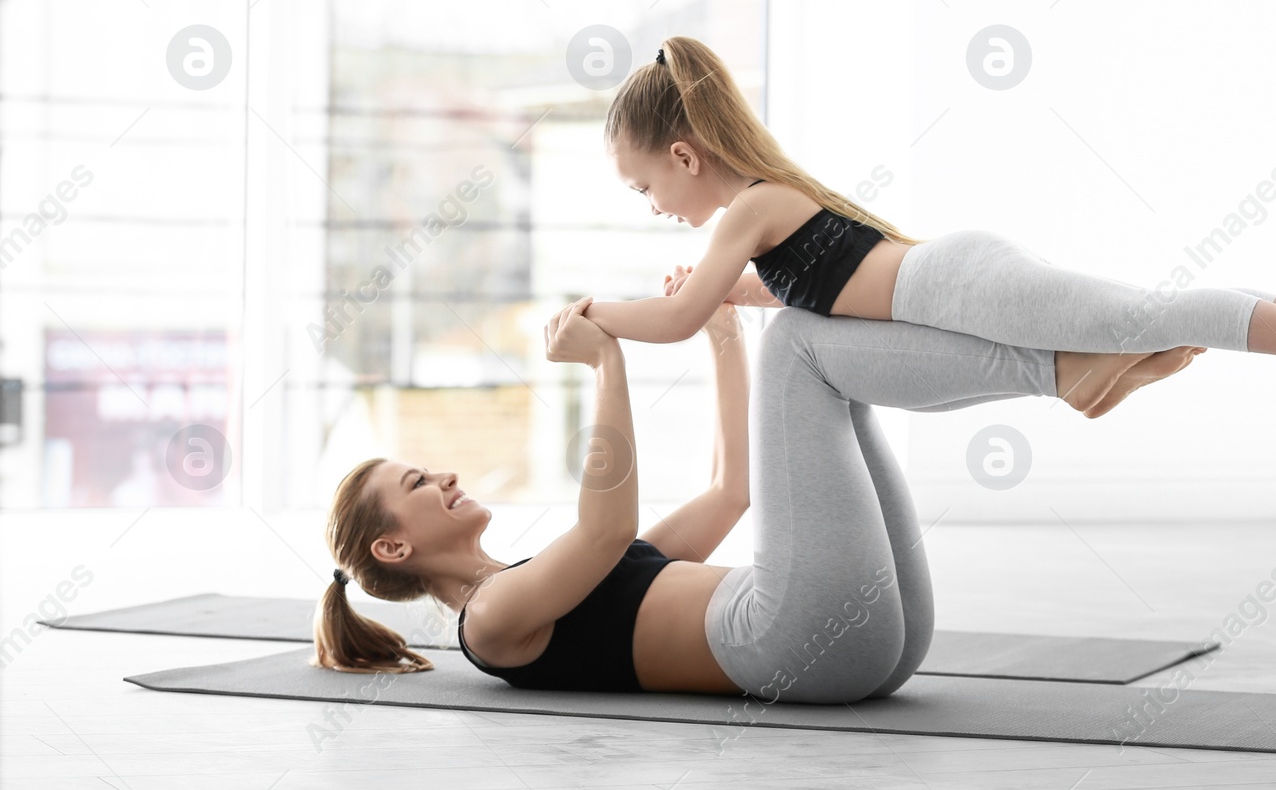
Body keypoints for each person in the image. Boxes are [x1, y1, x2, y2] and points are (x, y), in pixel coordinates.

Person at [311, 284, 1197, 700]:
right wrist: (606, 363)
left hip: (867, 646)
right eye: (420, 482)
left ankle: (1064, 369)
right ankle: (1059, 373)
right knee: (803, 344)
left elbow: (732, 489)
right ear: (395, 547)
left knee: (809, 352)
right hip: (791, 638)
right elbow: (607, 519)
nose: (447, 475)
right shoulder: (492, 624)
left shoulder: (543, 575)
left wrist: (723, 335)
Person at [582, 36, 1276, 417]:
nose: (654, 206)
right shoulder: (760, 219)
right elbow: (804, 286)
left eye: (644, 185)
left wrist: (593, 313)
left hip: (960, 285)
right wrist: (732, 290)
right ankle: (1104, 375)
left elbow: (676, 321)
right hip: (951, 288)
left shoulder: (750, 207)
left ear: (686, 156)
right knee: (1146, 319)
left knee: (1153, 314)